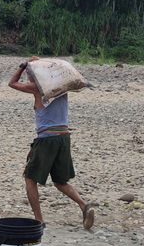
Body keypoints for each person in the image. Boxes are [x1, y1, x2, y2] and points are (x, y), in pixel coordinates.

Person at [9, 58, 94, 230]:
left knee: (30, 179)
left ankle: (39, 221)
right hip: (64, 137)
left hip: (47, 138)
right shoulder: (61, 88)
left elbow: (12, 83)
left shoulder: (37, 88)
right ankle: (84, 205)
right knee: (60, 181)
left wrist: (22, 65)